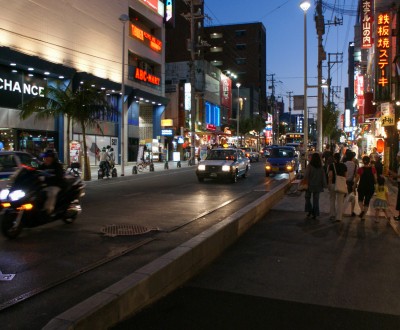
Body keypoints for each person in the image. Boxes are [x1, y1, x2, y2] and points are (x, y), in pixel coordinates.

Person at [39, 149, 65, 215]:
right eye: (45, 157)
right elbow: (37, 172)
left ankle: (48, 210)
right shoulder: (42, 166)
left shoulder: (57, 166)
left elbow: (59, 175)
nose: (46, 159)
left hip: (55, 185)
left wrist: (51, 176)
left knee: (52, 193)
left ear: (52, 158)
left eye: (48, 157)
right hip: (45, 185)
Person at [304, 152, 327, 221]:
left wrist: (304, 181)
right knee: (316, 200)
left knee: (307, 197)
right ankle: (315, 213)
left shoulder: (309, 166)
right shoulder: (321, 167)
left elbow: (306, 176)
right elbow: (323, 177)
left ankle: (309, 210)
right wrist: (325, 185)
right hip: (318, 186)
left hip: (309, 185)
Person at [354, 156, 377, 220]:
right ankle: (363, 216)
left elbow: (357, 179)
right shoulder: (373, 169)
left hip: (362, 187)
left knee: (360, 200)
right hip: (370, 187)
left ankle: (362, 210)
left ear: (363, 161)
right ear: (369, 161)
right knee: (367, 201)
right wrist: (376, 183)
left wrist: (354, 185)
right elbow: (375, 179)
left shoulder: (360, 169)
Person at [328, 153, 347, 222]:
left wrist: (329, 184)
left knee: (332, 200)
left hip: (333, 184)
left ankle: (332, 215)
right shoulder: (344, 166)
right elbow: (345, 176)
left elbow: (330, 176)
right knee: (340, 201)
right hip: (341, 184)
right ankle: (339, 217)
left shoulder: (331, 166)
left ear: (334, 158)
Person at [344, 151, 358, 216]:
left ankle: (342, 210)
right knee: (352, 197)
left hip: (344, 182)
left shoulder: (344, 164)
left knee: (343, 197)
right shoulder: (355, 165)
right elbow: (356, 175)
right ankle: (352, 211)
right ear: (352, 157)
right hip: (351, 182)